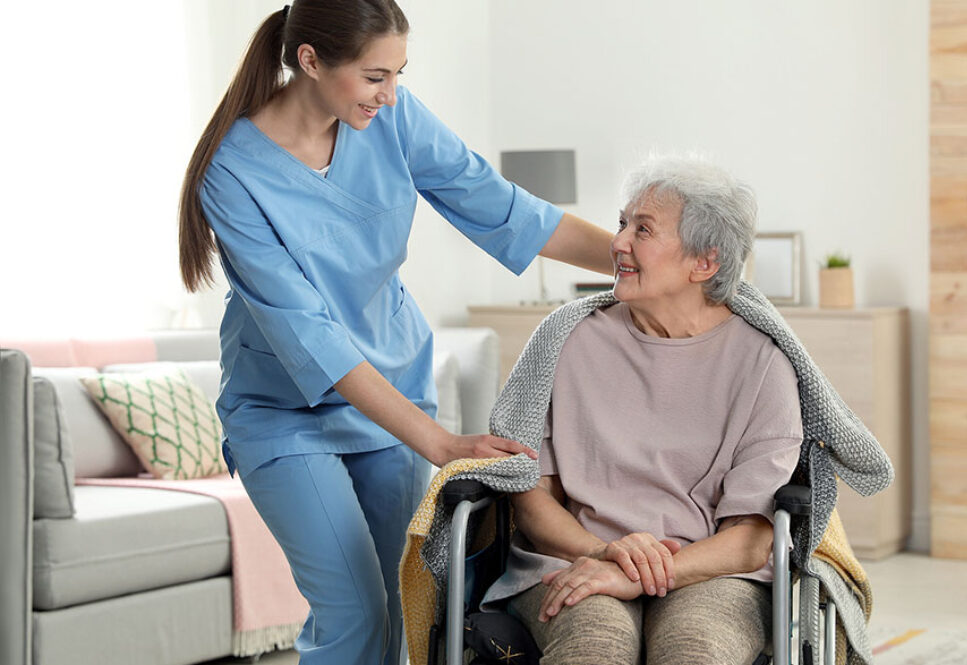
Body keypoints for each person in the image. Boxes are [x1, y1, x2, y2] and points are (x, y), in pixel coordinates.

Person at [176, 2, 611, 664]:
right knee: (353, 610)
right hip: (286, 415)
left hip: (394, 394)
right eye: (376, 75)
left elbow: (500, 206)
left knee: (409, 605)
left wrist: (638, 262)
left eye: (399, 73)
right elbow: (311, 336)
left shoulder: (390, 119)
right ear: (310, 60)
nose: (392, 93)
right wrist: (440, 441)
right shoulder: (231, 174)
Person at [481, 155, 804, 665]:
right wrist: (601, 555)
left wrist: (640, 573)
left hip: (712, 570)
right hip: (575, 554)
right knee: (594, 648)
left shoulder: (763, 362)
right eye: (622, 223)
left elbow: (750, 539)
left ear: (705, 262)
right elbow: (531, 495)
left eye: (643, 229)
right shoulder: (565, 340)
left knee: (695, 651)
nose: (617, 243)